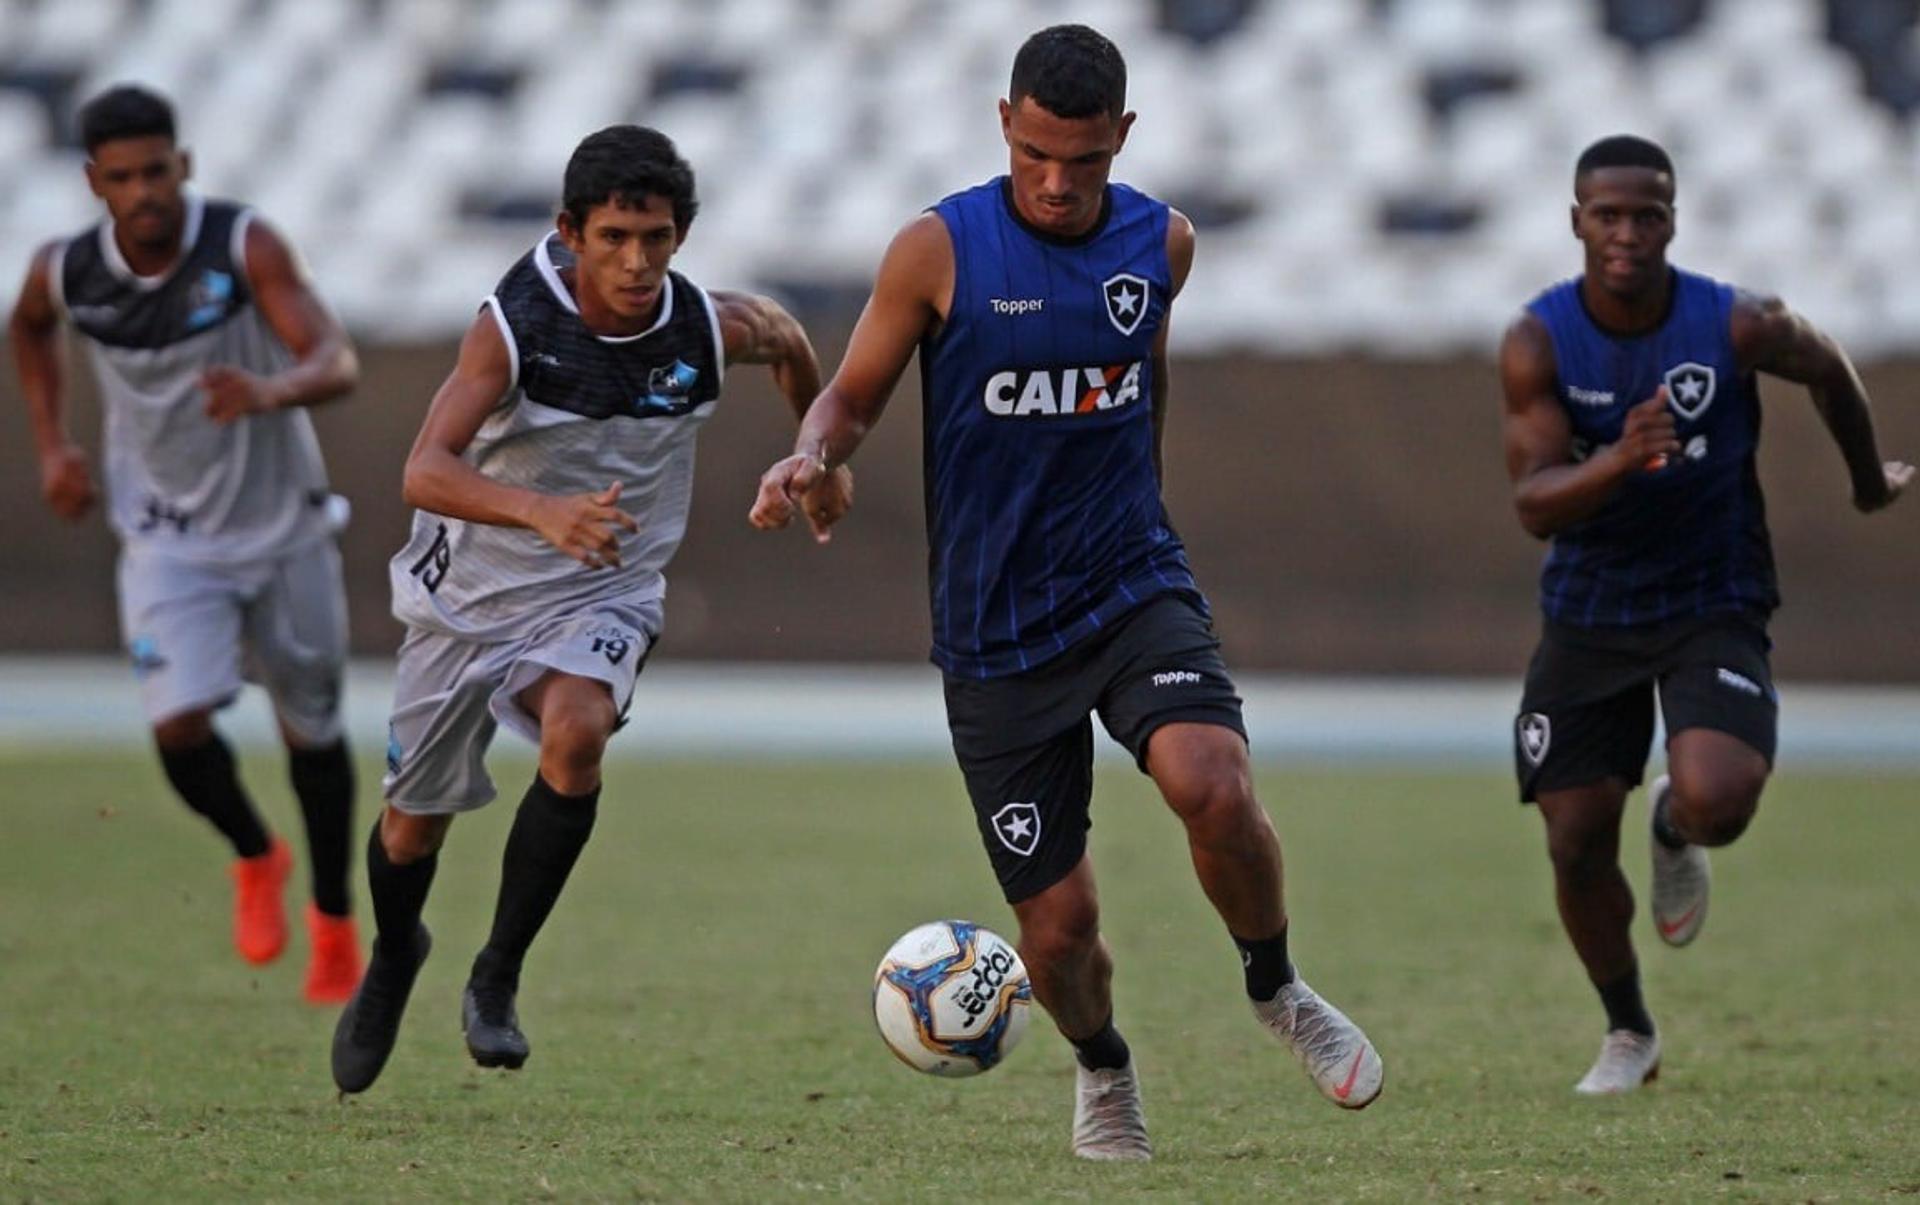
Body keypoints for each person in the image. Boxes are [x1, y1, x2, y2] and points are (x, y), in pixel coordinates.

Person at [750, 25, 1383, 1160]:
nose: (1055, 182)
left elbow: (1146, 388)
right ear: (1005, 124)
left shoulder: (1163, 244)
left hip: (1130, 582)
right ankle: (1102, 1065)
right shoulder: (937, 250)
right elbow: (850, 394)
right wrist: (812, 453)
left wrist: (1138, 504)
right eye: (1037, 153)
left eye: (1082, 161)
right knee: (1060, 928)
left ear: (1122, 140)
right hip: (995, 632)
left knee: (1216, 784)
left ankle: (1277, 986)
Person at [329, 124, 849, 1095]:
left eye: (655, 237)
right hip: (469, 600)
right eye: (614, 236)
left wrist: (817, 462)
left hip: (604, 582)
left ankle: (497, 973)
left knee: (578, 733)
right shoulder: (516, 324)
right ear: (571, 231)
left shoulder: (705, 325)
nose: (636, 260)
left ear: (680, 235)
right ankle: (397, 950)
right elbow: (423, 468)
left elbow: (786, 338)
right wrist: (539, 509)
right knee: (410, 830)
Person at [1498, 135, 1911, 1095]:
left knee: (1721, 799)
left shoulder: (1738, 326)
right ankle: (1628, 1030)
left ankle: (1677, 826)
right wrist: (1619, 457)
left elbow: (1830, 369)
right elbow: (1532, 503)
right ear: (1576, 221)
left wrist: (1866, 481)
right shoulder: (1541, 338)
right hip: (1591, 609)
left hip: (1711, 596)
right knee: (1572, 836)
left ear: (1674, 221)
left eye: (1648, 216)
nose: (1628, 235)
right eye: (1608, 215)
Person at [9, 85, 365, 1003]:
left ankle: (332, 916)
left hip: (284, 525)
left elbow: (335, 358)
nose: (144, 193)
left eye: (156, 171)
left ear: (185, 166)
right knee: (175, 725)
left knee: (313, 733)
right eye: (122, 178)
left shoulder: (243, 246)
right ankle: (257, 853)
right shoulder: (65, 271)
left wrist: (270, 390)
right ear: (96, 182)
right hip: (168, 534)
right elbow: (30, 330)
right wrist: (55, 444)